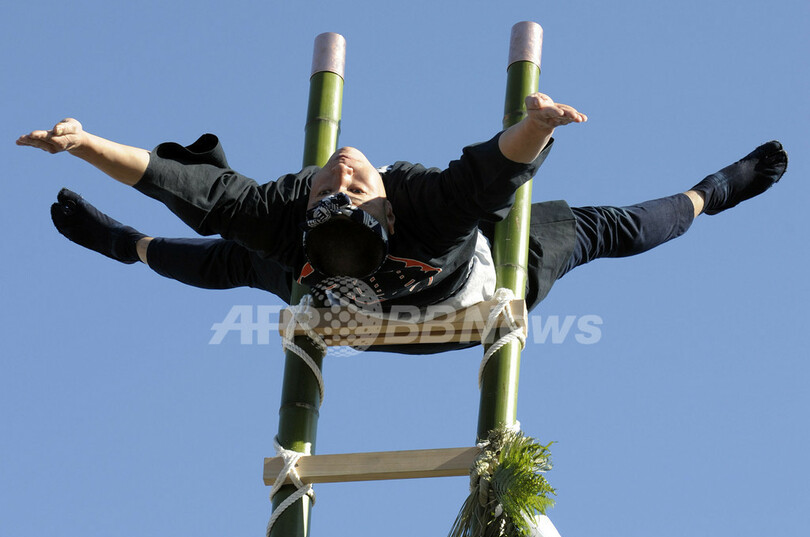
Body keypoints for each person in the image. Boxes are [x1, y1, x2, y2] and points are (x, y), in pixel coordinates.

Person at [17, 93, 787, 353]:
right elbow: (183, 183)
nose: (346, 166)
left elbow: (190, 186)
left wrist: (83, 142)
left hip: (400, 303)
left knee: (237, 258)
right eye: (346, 178)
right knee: (590, 227)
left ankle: (124, 246)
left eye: (342, 178)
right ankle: (712, 192)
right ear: (384, 203)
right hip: (423, 303)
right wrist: (535, 128)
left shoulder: (293, 219)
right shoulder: (411, 205)